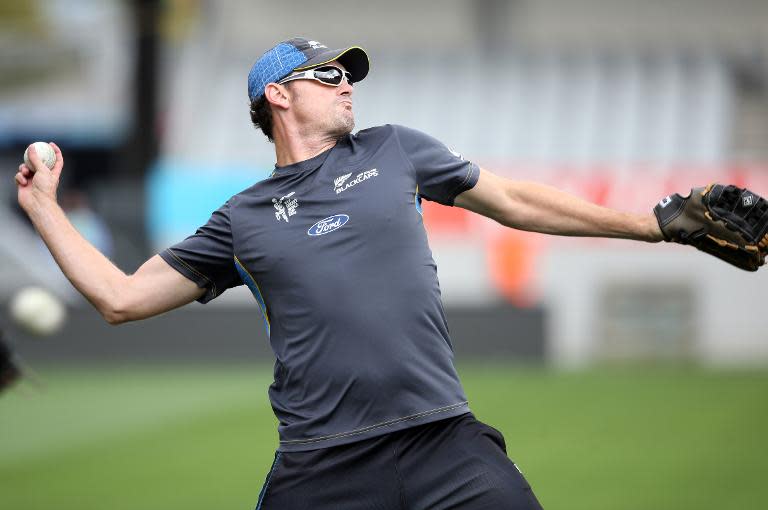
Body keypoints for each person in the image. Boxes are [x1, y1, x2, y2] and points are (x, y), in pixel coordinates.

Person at [15, 37, 665, 509]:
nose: (346, 83)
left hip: (444, 441)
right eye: (326, 74)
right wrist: (43, 208)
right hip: (322, 468)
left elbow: (517, 201)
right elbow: (120, 298)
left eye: (347, 74)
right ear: (278, 95)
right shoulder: (241, 219)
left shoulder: (395, 149)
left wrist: (655, 225)